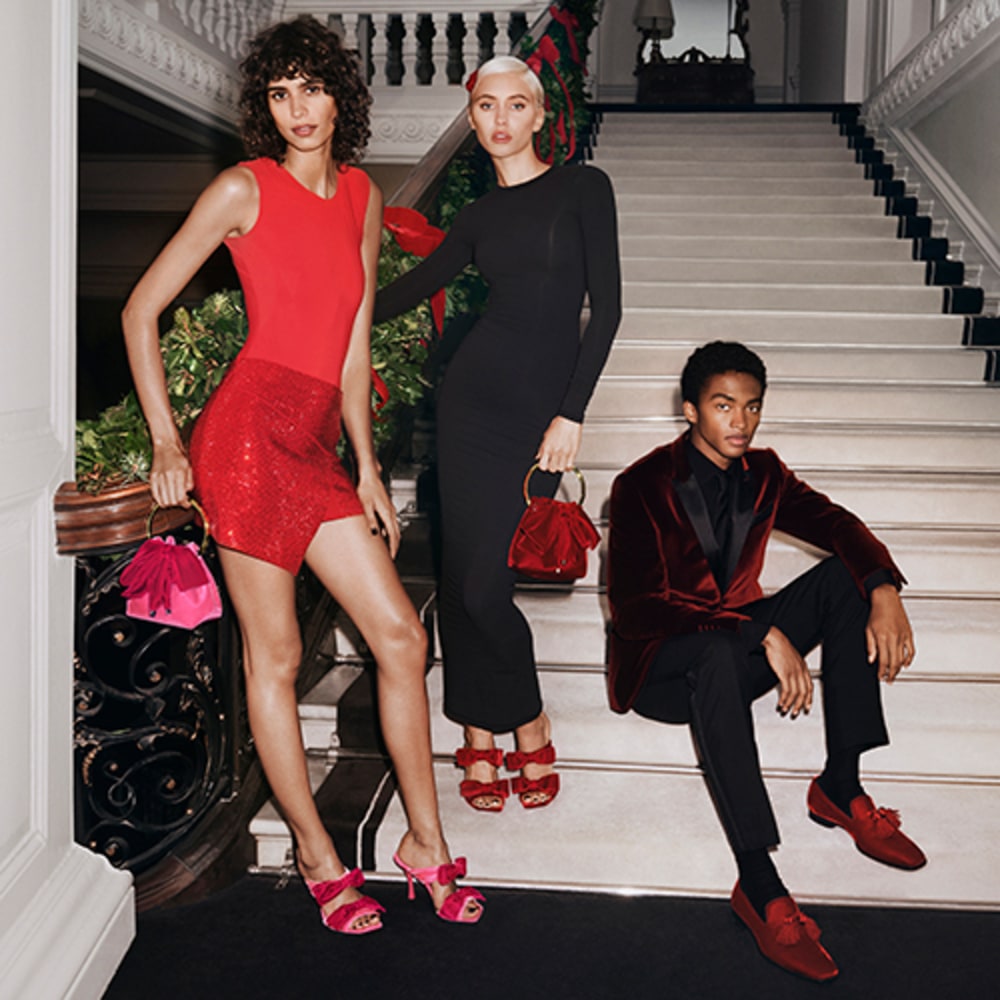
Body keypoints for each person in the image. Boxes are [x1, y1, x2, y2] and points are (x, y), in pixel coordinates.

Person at [121, 16, 483, 933]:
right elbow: (140, 310)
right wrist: (167, 441)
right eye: (279, 94)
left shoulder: (362, 194)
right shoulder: (242, 188)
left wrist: (366, 464)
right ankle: (319, 856)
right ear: (265, 107)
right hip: (244, 439)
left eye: (311, 88)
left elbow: (354, 343)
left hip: (315, 444)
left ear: (338, 95)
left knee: (400, 637)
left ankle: (425, 843)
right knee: (276, 658)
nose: (298, 109)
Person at [606, 341, 926, 981]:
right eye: (723, 406)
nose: (741, 422)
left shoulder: (766, 473)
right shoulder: (641, 484)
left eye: (752, 407)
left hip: (736, 647)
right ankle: (758, 882)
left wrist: (883, 588)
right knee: (720, 649)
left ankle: (840, 786)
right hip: (663, 669)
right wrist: (758, 633)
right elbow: (638, 609)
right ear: (691, 410)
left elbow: (837, 525)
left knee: (843, 580)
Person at [374, 56, 621, 812]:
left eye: (517, 105)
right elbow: (413, 288)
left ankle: (526, 717)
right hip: (469, 406)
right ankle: (480, 728)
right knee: (462, 578)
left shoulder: (584, 187)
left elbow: (607, 310)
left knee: (488, 586)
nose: (501, 119)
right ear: (473, 118)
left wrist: (572, 412)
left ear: (541, 115)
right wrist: (326, 305)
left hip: (540, 415)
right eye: (487, 106)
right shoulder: (478, 217)